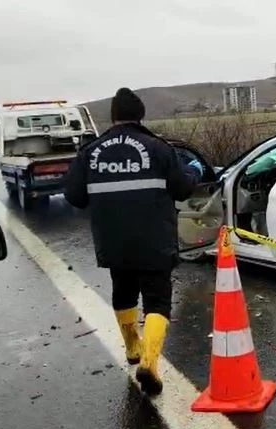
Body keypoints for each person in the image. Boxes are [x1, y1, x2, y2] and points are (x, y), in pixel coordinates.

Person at [64, 87, 204, 396]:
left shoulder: (91, 152)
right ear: (140, 116)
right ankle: (150, 363)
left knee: (123, 292)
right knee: (157, 301)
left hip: (113, 241)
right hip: (154, 240)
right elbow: (182, 189)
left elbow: (74, 196)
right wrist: (194, 170)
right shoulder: (158, 148)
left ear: (113, 116)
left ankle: (132, 349)